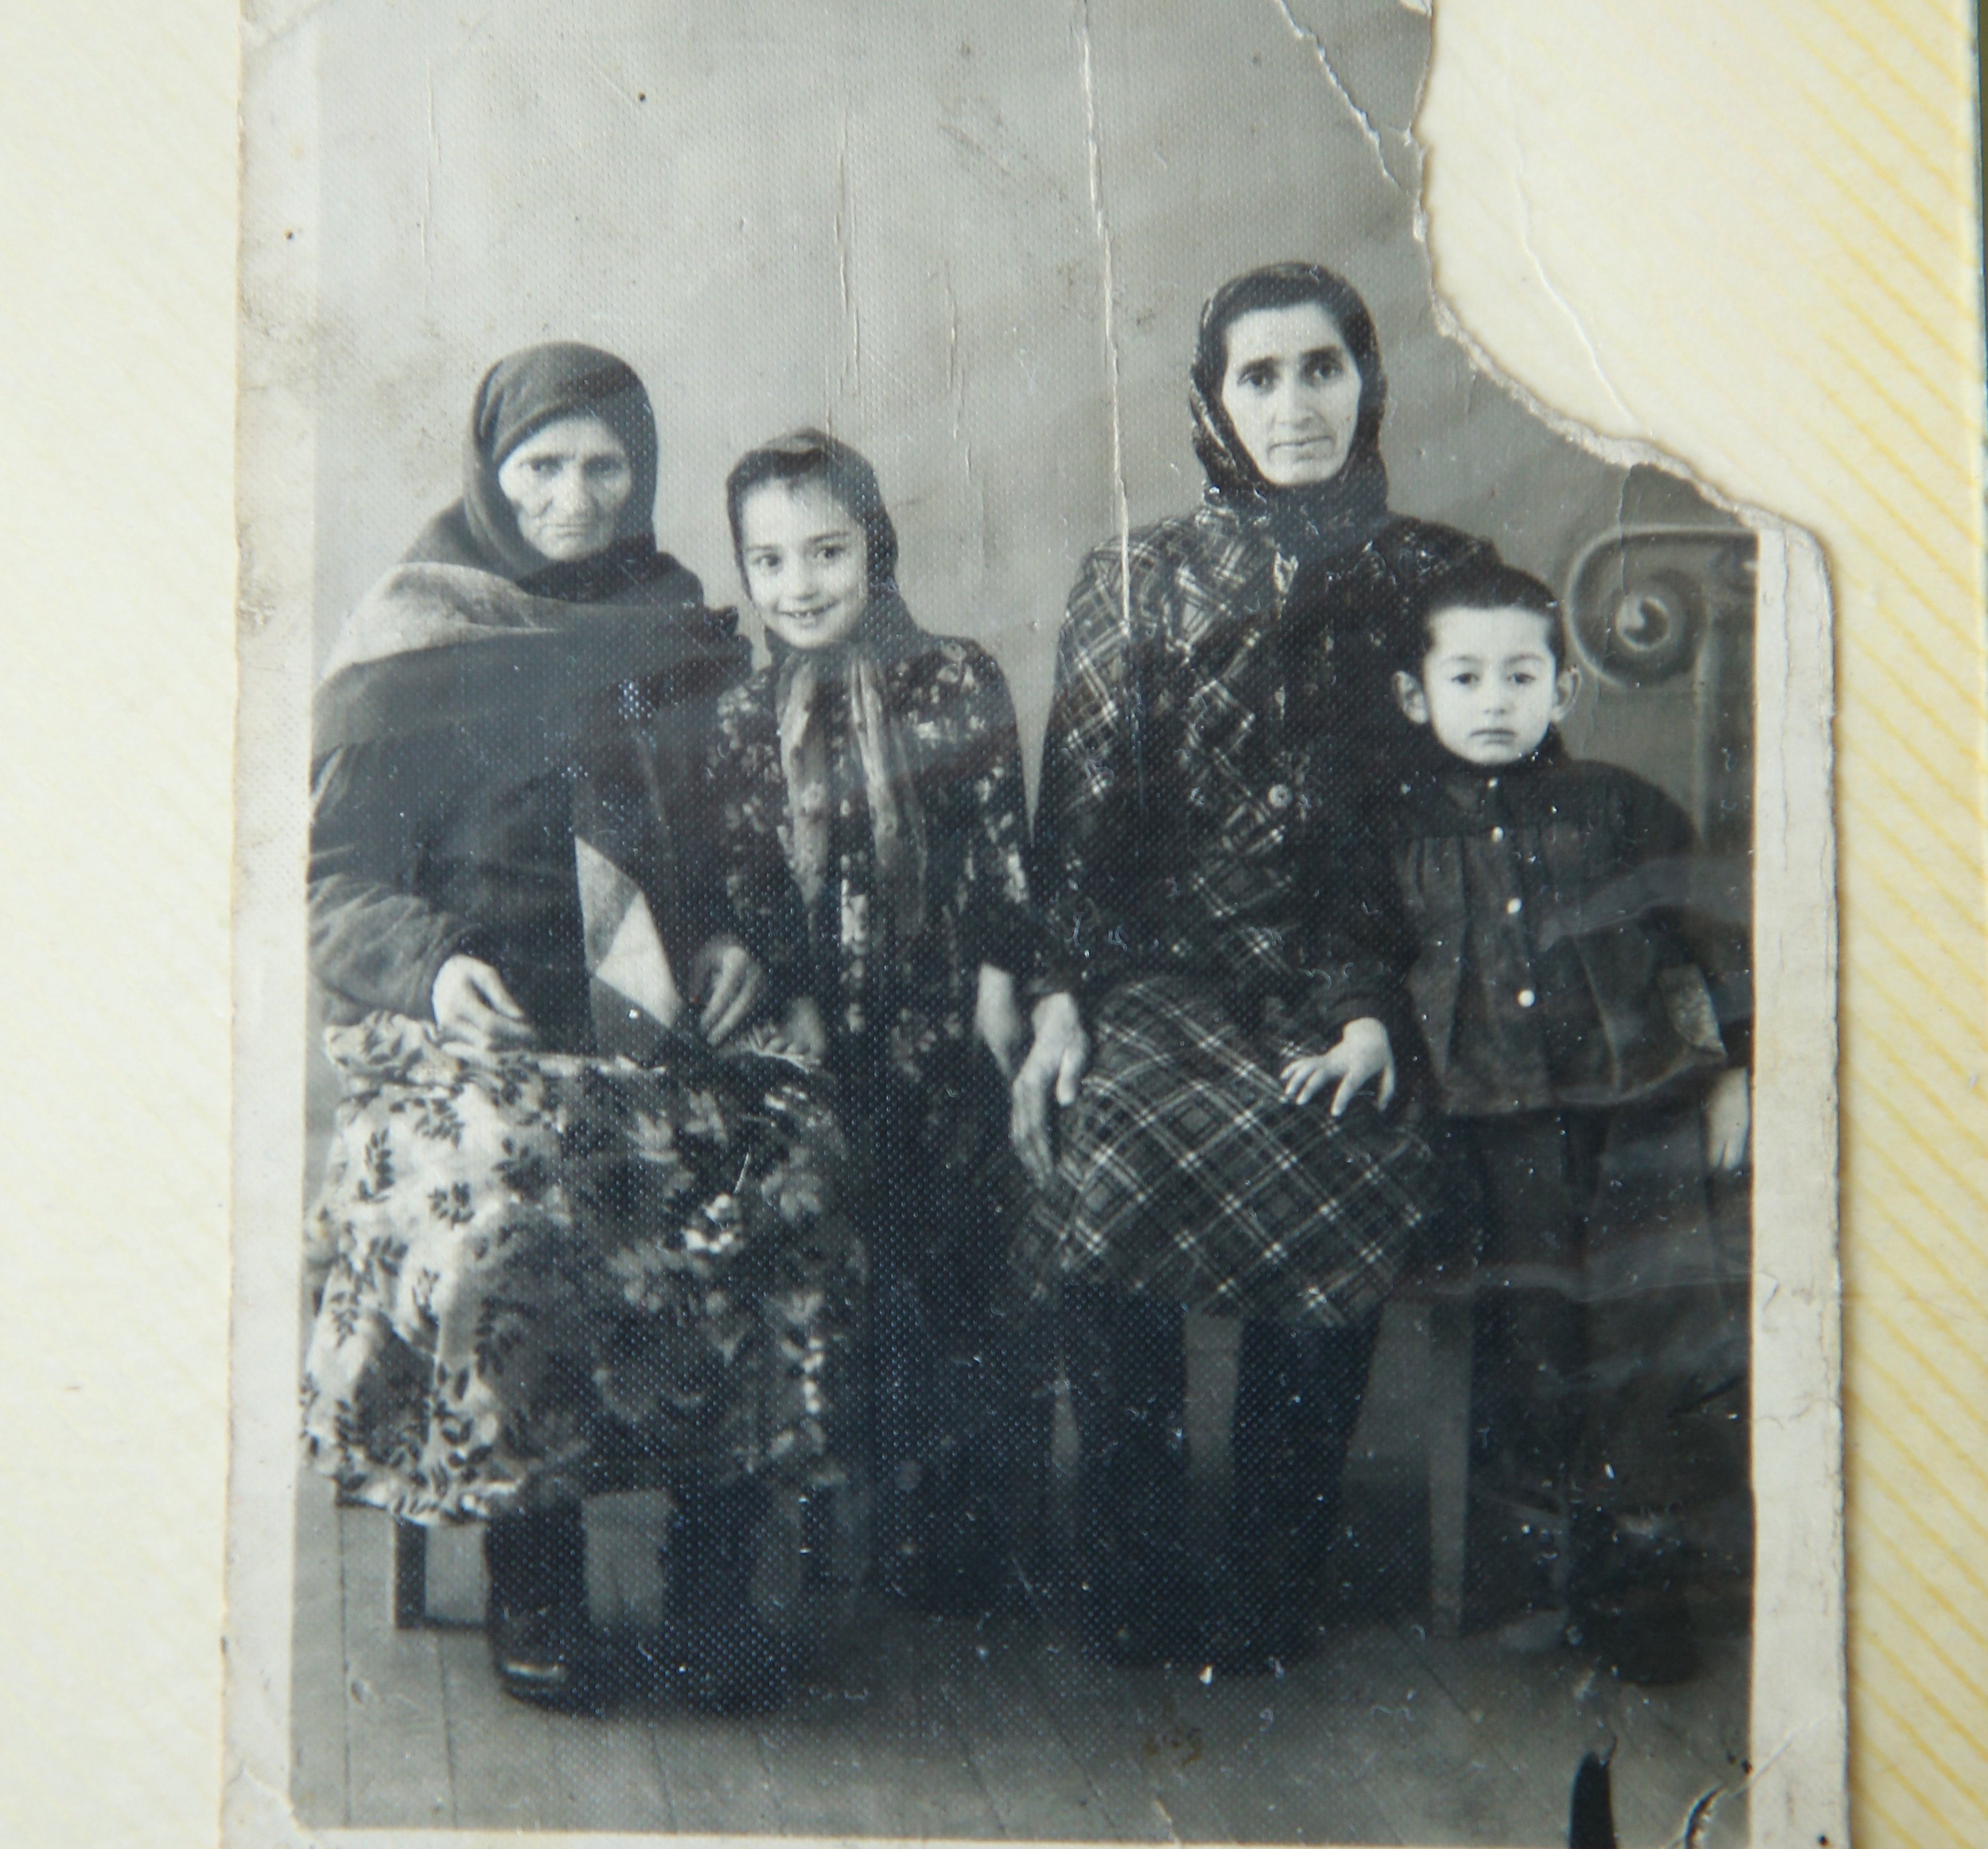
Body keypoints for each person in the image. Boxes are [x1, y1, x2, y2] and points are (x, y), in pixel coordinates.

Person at [301, 345, 855, 1715]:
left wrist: (736, 940)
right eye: (541, 466)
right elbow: (334, 883)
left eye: (605, 465)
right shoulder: (416, 632)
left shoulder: (674, 625)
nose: (575, 496)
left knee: (776, 1160)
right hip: (480, 1019)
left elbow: (740, 842)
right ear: (490, 473)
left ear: (642, 471)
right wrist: (433, 968)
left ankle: (711, 1566)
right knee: (510, 1195)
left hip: (648, 1005)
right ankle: (533, 1567)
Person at [1011, 262, 1484, 1671]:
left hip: (1368, 982)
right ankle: (1134, 1564)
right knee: (1113, 1136)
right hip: (1164, 979)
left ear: (1366, 380)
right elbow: (1077, 827)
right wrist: (1058, 1004)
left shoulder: (1438, 577)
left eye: (1320, 369)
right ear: (1213, 403)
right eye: (1257, 377)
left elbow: (1492, 816)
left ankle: (1278, 1567)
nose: (1293, 407)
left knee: (1341, 1131)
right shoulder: (1138, 577)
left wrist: (1387, 1005)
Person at [1330, 555, 1749, 1683]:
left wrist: (1737, 1068)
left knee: (1649, 1312)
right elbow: (1354, 951)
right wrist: (1363, 1024)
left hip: (1637, 1106)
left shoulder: (1620, 808)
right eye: (1465, 677)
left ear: (1562, 689)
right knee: (1534, 1327)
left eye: (1521, 676)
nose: (1494, 701)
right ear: (1415, 696)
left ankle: (1638, 1566)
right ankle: (1542, 1565)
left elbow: (1717, 939)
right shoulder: (1390, 830)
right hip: (1487, 1121)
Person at [704, 428, 1046, 1615]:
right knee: (818, 1207)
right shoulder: (743, 714)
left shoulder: (953, 678)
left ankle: (952, 1503)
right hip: (818, 1021)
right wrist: (796, 1005)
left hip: (941, 1007)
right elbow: (751, 885)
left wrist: (996, 991)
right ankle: (831, 1490)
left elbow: (1000, 852)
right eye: (769, 561)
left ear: (876, 547)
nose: (799, 585)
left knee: (954, 1225)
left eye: (827, 552)